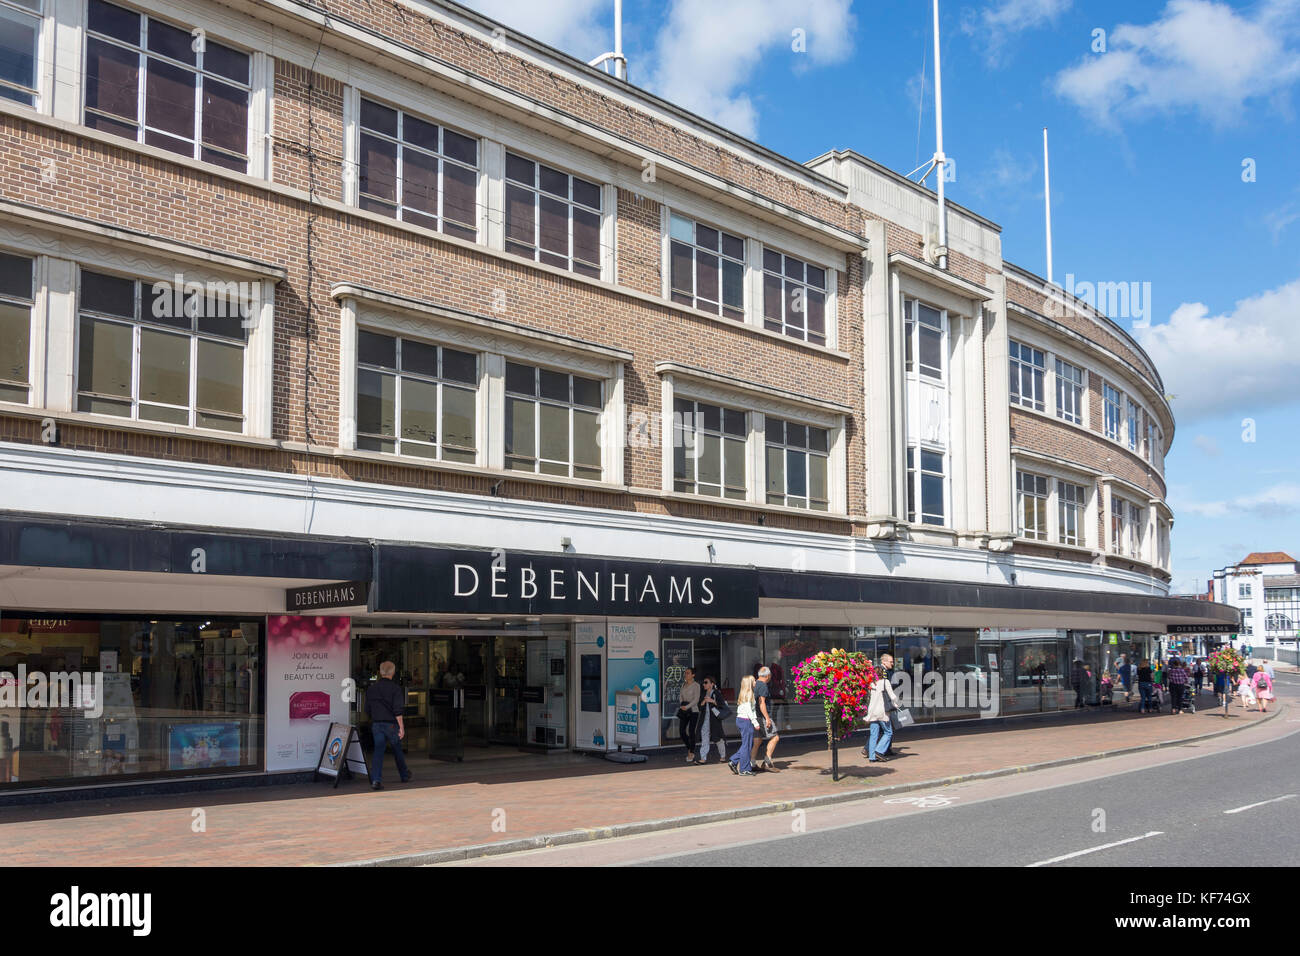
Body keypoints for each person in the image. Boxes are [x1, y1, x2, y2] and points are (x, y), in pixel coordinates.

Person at [365, 660, 411, 790]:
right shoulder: (395, 689)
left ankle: (376, 780)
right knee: (397, 750)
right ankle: (404, 774)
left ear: (380, 672)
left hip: (377, 724)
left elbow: (367, 709)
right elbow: (398, 710)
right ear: (393, 672)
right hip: (391, 725)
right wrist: (401, 727)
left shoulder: (372, 689)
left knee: (378, 751)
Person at [861, 654, 900, 763]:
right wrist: (896, 704)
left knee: (874, 734)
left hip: (873, 712)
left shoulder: (872, 684)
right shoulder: (885, 682)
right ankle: (879, 751)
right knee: (888, 732)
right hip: (882, 712)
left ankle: (872, 757)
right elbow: (892, 696)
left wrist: (868, 715)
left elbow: (871, 701)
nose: (892, 664)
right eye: (891, 661)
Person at [728, 676, 760, 776]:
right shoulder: (749, 694)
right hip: (746, 721)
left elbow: (751, 710)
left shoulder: (745, 693)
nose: (756, 682)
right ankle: (744, 769)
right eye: (754, 680)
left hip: (742, 720)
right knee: (747, 745)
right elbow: (749, 710)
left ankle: (733, 761)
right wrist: (755, 722)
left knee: (746, 744)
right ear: (750, 683)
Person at [750, 666, 780, 772]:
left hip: (754, 716)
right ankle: (767, 761)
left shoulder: (754, 684)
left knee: (757, 740)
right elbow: (761, 703)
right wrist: (767, 718)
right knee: (775, 737)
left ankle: (752, 763)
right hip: (761, 716)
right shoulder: (763, 685)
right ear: (768, 676)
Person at [696, 676, 728, 764]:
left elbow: (722, 705)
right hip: (705, 719)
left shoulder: (716, 693)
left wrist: (712, 701)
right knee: (704, 738)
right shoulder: (703, 693)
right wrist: (703, 702)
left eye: (706, 682)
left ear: (712, 684)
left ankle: (723, 756)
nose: (704, 684)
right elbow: (699, 706)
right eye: (703, 683)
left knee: (718, 737)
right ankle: (703, 758)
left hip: (714, 719)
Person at [677, 668, 700, 763]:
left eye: (688, 673)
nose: (686, 674)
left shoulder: (696, 685)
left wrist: (687, 706)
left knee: (691, 731)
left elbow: (696, 699)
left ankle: (691, 752)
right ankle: (690, 747)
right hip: (684, 711)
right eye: (685, 673)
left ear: (693, 675)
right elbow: (680, 696)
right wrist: (682, 705)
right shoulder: (684, 685)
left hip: (693, 711)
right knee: (682, 731)